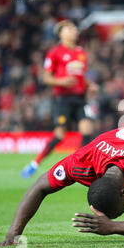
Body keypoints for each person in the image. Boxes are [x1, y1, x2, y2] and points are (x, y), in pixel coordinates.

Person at [21, 20, 98, 178]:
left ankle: (79, 166)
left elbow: (81, 77)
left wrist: (90, 85)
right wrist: (61, 81)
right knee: (59, 135)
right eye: (70, 29)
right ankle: (35, 163)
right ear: (61, 34)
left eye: (74, 28)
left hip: (80, 98)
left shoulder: (81, 52)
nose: (74, 31)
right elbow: (46, 78)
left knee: (87, 130)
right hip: (63, 98)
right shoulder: (55, 52)